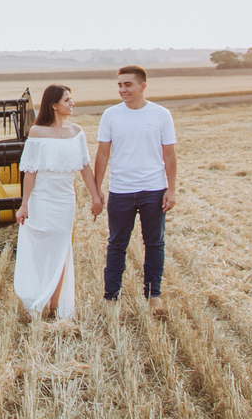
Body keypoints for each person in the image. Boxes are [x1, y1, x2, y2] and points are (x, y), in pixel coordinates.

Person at [14, 85, 105, 321]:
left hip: (65, 199)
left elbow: (84, 167)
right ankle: (37, 299)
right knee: (40, 250)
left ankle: (55, 306)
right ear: (54, 105)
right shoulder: (37, 133)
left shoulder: (77, 132)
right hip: (42, 198)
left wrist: (95, 196)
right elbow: (30, 171)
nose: (72, 103)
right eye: (67, 100)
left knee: (62, 249)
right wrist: (24, 205)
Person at [93, 65, 177, 316]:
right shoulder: (110, 115)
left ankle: (153, 296)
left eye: (127, 84)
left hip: (154, 189)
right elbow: (102, 154)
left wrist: (172, 189)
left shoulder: (161, 114)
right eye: (119, 85)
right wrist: (97, 190)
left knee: (154, 243)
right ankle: (111, 297)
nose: (122, 90)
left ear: (143, 86)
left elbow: (170, 155)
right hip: (120, 191)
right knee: (116, 244)